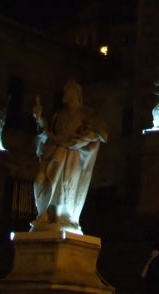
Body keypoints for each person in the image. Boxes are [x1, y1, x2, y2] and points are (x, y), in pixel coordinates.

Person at [32, 80, 109, 232]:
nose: (65, 93)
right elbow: (49, 132)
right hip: (54, 149)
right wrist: (39, 118)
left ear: (76, 93)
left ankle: (60, 217)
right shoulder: (59, 114)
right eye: (64, 90)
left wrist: (83, 139)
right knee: (39, 181)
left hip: (71, 154)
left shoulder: (85, 113)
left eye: (68, 90)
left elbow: (102, 132)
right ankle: (44, 215)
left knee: (62, 184)